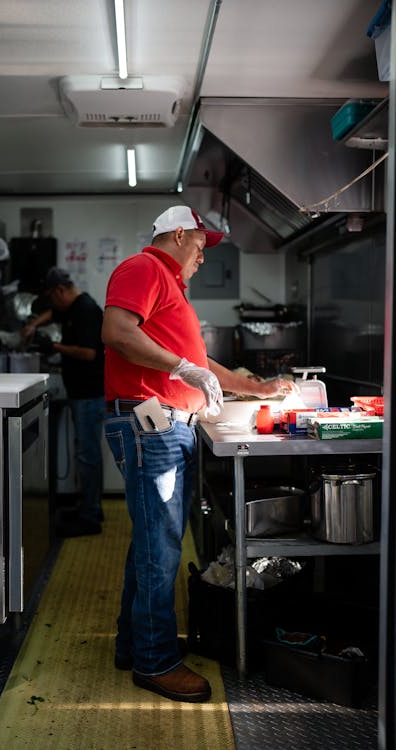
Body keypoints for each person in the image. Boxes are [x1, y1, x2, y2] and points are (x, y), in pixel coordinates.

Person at [101, 205, 297, 703]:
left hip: (168, 428)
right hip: (153, 427)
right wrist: (185, 372)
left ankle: (134, 645)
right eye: (201, 248)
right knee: (162, 550)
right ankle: (156, 662)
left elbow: (199, 364)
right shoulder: (145, 268)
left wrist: (255, 388)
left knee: (151, 544)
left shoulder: (173, 290)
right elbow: (118, 334)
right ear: (179, 234)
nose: (204, 258)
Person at [24, 267, 105, 537]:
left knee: (88, 455)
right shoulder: (70, 308)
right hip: (80, 392)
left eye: (51, 297)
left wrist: (54, 347)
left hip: (90, 393)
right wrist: (34, 325)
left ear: (60, 290)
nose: (52, 305)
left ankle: (90, 517)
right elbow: (54, 314)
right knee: (85, 452)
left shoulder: (86, 310)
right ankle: (89, 507)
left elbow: (90, 353)